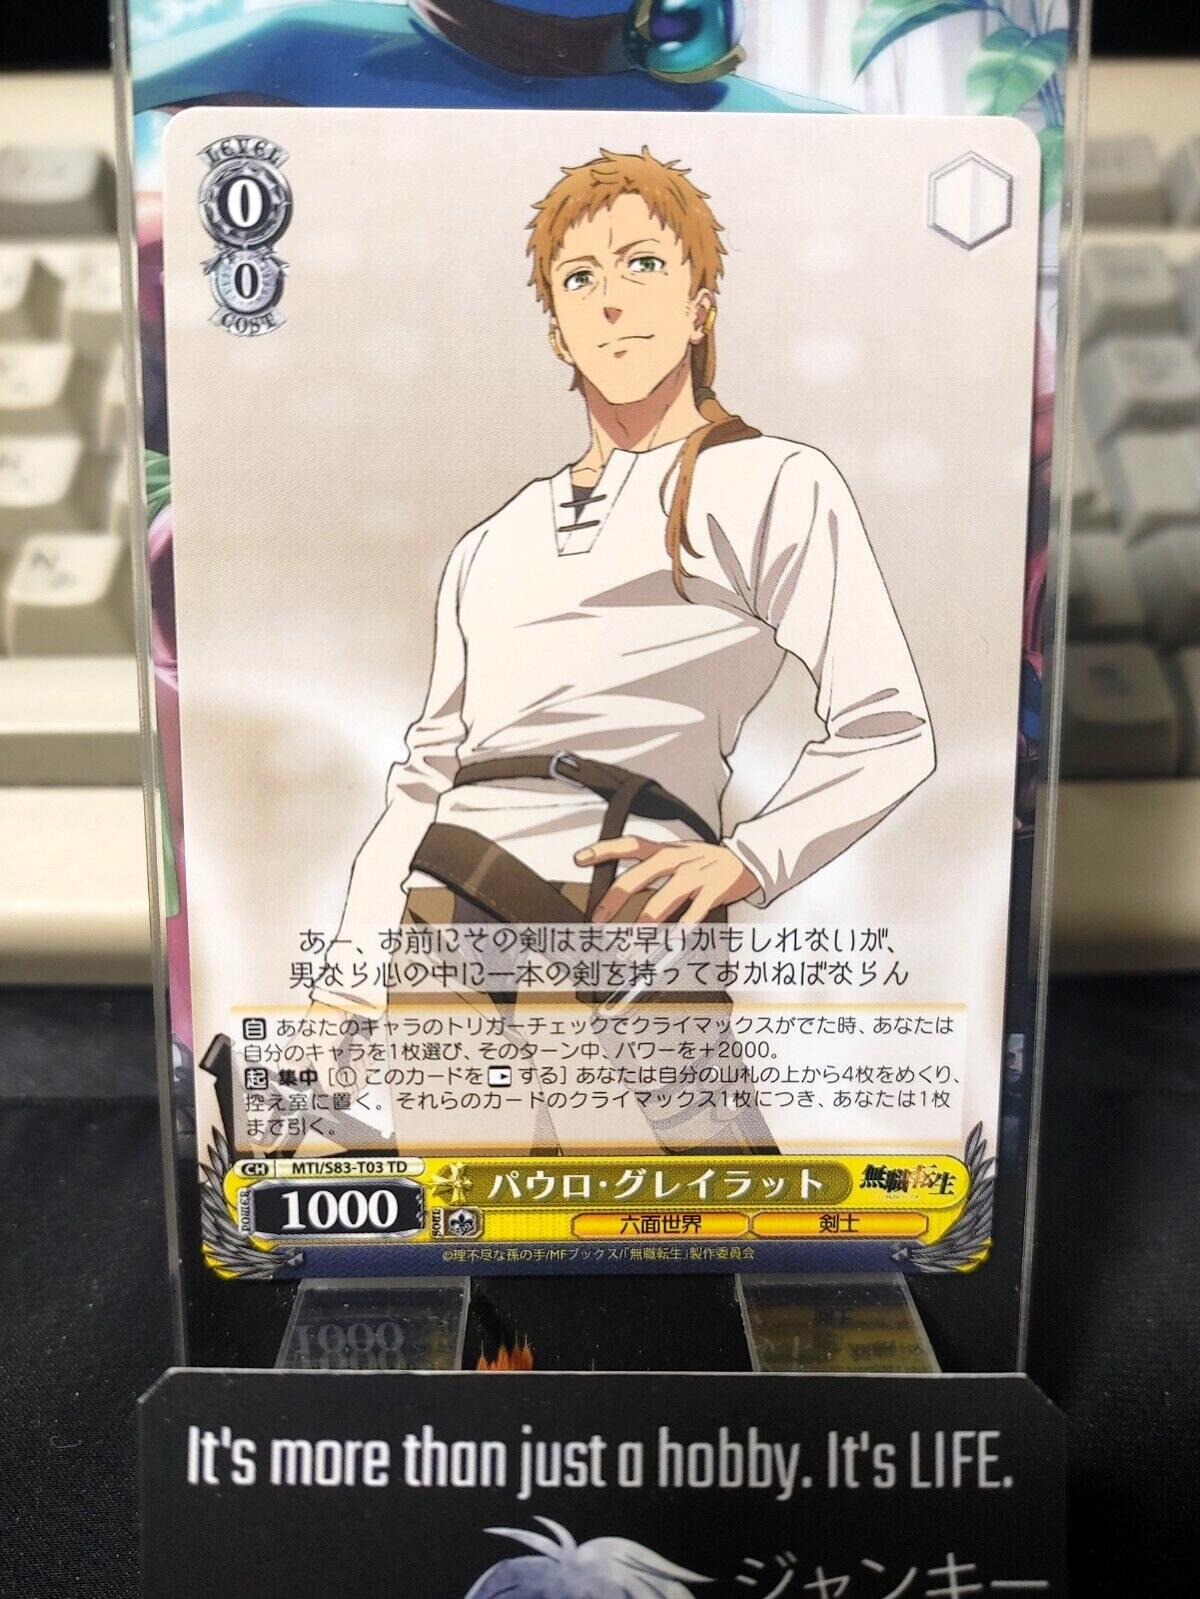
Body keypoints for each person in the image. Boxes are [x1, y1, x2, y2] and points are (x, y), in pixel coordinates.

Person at [306, 147, 935, 1156]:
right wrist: (344, 989)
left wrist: (749, 859)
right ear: (557, 328)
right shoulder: (493, 539)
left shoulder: (773, 482)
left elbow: (889, 726)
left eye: (644, 264)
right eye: (579, 277)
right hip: (444, 905)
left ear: (700, 303)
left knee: (703, 1201)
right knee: (467, 1207)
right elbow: (425, 772)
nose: (611, 302)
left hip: (628, 904)